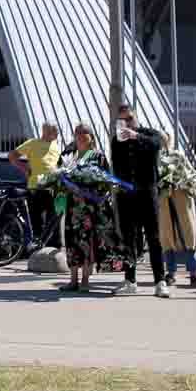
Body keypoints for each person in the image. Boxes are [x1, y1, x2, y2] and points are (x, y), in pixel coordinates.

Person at [110, 102, 164, 296]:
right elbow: (116, 165)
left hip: (147, 193)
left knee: (154, 237)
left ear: (136, 117)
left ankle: (160, 281)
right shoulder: (117, 140)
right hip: (127, 195)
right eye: (122, 120)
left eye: (130, 118)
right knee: (128, 238)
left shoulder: (149, 134)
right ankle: (130, 280)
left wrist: (136, 136)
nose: (127, 123)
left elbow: (156, 145)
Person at [63, 123, 123, 291]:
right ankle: (73, 280)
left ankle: (85, 280)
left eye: (84, 133)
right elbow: (61, 176)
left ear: (91, 137)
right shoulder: (70, 155)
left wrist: (92, 191)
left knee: (87, 241)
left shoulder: (98, 156)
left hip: (90, 207)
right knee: (72, 241)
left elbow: (106, 181)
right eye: (77, 133)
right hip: (73, 206)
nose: (80, 136)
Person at [155, 130, 196, 295]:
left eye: (163, 139)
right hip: (165, 201)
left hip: (181, 199)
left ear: (169, 140)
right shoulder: (155, 158)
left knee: (188, 235)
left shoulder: (178, 156)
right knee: (167, 237)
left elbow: (191, 175)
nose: (162, 142)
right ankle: (171, 273)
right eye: (159, 140)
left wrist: (183, 183)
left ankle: (193, 273)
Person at [10, 122, 62, 243]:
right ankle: (36, 247)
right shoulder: (33, 143)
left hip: (52, 188)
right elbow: (12, 156)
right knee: (36, 221)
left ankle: (52, 247)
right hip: (36, 187)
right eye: (55, 131)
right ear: (46, 131)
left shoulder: (56, 146)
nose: (58, 134)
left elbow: (58, 165)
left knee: (53, 220)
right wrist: (25, 168)